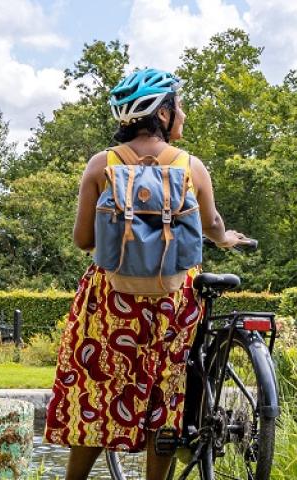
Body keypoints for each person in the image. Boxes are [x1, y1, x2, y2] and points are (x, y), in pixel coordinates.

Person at [43, 68, 252, 480]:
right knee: (167, 394)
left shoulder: (101, 165)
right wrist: (225, 237)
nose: (185, 115)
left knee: (97, 389)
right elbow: (210, 224)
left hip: (111, 301)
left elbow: (83, 239)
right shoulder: (192, 166)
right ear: (163, 112)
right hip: (173, 302)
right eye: (181, 106)